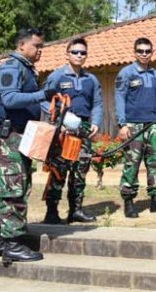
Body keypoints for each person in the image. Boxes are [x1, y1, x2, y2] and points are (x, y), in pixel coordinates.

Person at [0, 28, 53, 263]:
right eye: (36, 46)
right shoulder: (12, 67)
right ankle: (12, 243)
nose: (40, 50)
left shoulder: (26, 69)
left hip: (16, 134)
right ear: (21, 45)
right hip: (6, 135)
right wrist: (43, 95)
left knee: (8, 188)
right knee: (14, 189)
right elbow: (10, 98)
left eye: (42, 46)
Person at [41, 38, 102, 224]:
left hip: (83, 130)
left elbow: (97, 103)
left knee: (80, 171)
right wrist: (62, 117)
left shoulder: (91, 79)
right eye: (75, 52)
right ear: (67, 54)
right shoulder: (57, 76)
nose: (79, 55)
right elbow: (43, 100)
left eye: (83, 52)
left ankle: (76, 210)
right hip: (63, 130)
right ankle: (51, 212)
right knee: (58, 170)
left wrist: (96, 123)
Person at [114, 37, 156, 218]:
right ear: (135, 52)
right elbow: (119, 98)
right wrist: (122, 124)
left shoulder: (155, 74)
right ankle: (129, 202)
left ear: (152, 52)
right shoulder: (126, 73)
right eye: (140, 51)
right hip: (133, 125)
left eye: (147, 51)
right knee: (132, 164)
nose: (144, 54)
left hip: (153, 124)